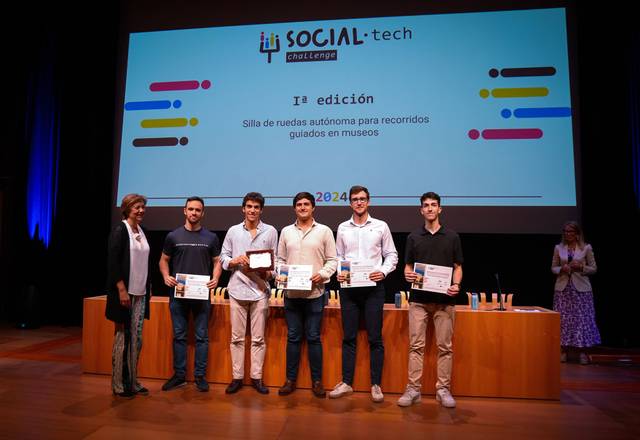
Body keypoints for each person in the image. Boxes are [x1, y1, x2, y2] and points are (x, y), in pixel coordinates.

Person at [329, 185, 398, 402]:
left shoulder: (381, 226)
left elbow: (392, 255)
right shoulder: (342, 228)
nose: (359, 202)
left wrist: (383, 271)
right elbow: (338, 256)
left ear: (368, 202)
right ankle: (347, 383)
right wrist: (340, 271)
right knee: (348, 337)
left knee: (375, 338)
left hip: (373, 290)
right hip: (349, 289)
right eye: (355, 199)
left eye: (363, 199)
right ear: (350, 203)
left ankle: (376, 385)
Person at [399, 192, 463, 408]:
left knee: (445, 347)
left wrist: (456, 285)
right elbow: (408, 266)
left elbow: (458, 266)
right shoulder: (413, 237)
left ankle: (443, 390)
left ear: (440, 209)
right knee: (415, 346)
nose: (429, 209)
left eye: (433, 205)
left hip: (445, 302)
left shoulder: (452, 236)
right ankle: (413, 389)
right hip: (418, 301)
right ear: (421, 210)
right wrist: (407, 274)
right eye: (425, 205)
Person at [276, 192, 338, 397]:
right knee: (293, 337)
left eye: (306, 204)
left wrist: (322, 275)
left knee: (313, 337)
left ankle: (317, 382)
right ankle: (290, 380)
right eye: (299, 204)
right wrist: (281, 274)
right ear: (294, 208)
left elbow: (333, 261)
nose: (303, 207)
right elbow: (279, 260)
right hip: (292, 294)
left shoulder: (325, 231)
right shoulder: (285, 231)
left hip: (315, 294)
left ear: (313, 208)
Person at [159, 196, 222, 392]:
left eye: (198, 210)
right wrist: (165, 275)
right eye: (191, 209)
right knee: (179, 336)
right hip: (178, 294)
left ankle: (200, 376)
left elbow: (217, 261)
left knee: (202, 337)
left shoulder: (211, 237)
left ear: (203, 213)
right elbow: (163, 260)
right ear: (184, 211)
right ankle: (179, 376)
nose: (194, 213)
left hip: (202, 295)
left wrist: (216, 277)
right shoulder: (173, 236)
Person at [220, 192, 278, 394]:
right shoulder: (233, 231)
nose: (252, 210)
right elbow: (223, 258)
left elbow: (275, 264)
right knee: (236, 338)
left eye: (256, 207)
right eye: (249, 207)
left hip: (260, 291)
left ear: (261, 210)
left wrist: (265, 270)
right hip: (237, 289)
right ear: (243, 209)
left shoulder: (270, 231)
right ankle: (237, 378)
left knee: (258, 339)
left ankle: (256, 378)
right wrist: (234, 261)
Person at [105, 193, 152, 398]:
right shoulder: (120, 230)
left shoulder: (142, 231)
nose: (140, 210)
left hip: (140, 293)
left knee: (137, 338)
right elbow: (113, 262)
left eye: (142, 207)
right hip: (123, 293)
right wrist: (121, 289)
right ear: (127, 209)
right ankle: (118, 384)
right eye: (136, 207)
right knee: (122, 338)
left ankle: (133, 381)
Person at [551, 221, 600, 365]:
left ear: (577, 234)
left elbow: (594, 268)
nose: (568, 234)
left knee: (582, 320)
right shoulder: (558, 248)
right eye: (566, 231)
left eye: (571, 232)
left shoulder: (586, 248)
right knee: (564, 320)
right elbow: (553, 267)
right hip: (563, 290)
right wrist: (561, 269)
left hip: (581, 290)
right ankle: (563, 351)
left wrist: (581, 267)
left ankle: (583, 353)